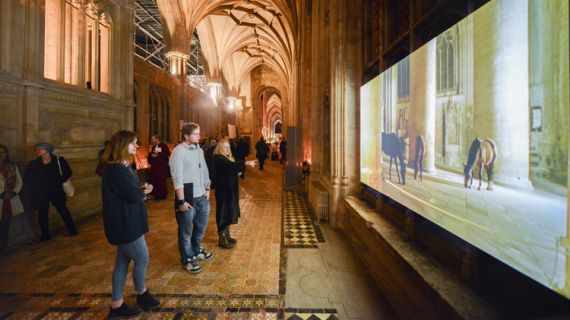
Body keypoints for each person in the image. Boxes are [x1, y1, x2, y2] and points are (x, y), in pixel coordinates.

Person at [97, 130, 161, 319]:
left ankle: (116, 306)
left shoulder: (121, 166)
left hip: (126, 221)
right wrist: (143, 192)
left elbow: (128, 191)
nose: (136, 146)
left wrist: (142, 189)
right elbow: (132, 194)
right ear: (122, 145)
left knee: (122, 263)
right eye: (133, 143)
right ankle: (142, 294)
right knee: (142, 257)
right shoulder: (116, 169)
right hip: (125, 223)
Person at [170, 122, 213, 274]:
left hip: (202, 197)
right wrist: (181, 201)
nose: (199, 136)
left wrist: (207, 189)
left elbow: (205, 170)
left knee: (200, 229)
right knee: (185, 231)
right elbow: (177, 177)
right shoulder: (178, 151)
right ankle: (187, 258)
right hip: (187, 199)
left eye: (199, 133)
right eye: (196, 133)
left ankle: (195, 250)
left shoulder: (199, 150)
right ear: (186, 136)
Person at [24, 143, 77, 241]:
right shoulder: (33, 164)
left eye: (41, 149)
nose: (38, 151)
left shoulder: (59, 160)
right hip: (41, 192)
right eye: (37, 149)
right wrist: (35, 187)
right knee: (42, 213)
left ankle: (72, 229)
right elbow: (28, 178)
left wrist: (58, 181)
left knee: (63, 210)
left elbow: (68, 172)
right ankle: (45, 235)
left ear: (48, 150)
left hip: (56, 190)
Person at [212, 140, 256, 249]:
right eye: (224, 147)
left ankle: (227, 235)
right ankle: (222, 238)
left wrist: (238, 172)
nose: (227, 149)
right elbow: (229, 166)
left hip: (230, 191)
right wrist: (246, 163)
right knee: (223, 212)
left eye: (228, 147)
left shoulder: (228, 158)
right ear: (219, 148)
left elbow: (231, 168)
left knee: (230, 211)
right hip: (223, 191)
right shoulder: (218, 158)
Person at [0, 145, 24, 252]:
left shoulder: (12, 166)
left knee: (7, 222)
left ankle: (5, 245)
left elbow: (19, 181)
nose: (2, 154)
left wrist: (13, 192)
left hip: (10, 198)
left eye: (4, 152)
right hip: (0, 198)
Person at [147, 135, 170, 200]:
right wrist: (151, 155)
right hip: (155, 167)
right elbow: (152, 155)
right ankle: (157, 195)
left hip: (161, 167)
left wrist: (158, 154)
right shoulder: (154, 147)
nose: (151, 140)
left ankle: (163, 195)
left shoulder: (164, 145)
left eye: (152, 138)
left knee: (161, 181)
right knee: (156, 180)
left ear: (157, 139)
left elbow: (167, 154)